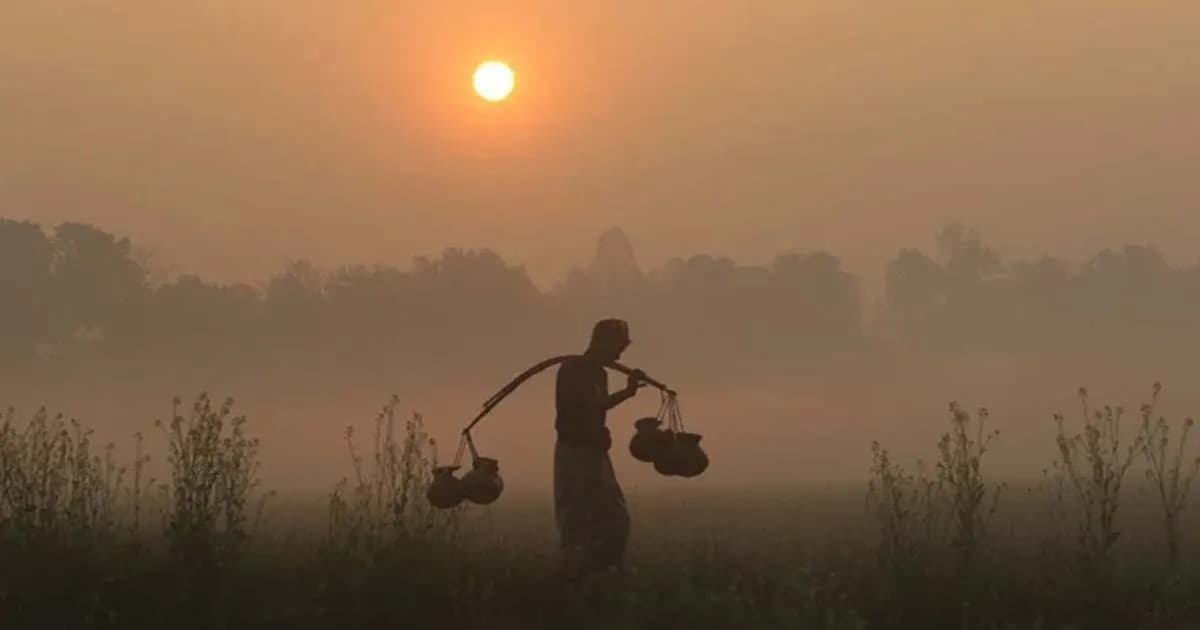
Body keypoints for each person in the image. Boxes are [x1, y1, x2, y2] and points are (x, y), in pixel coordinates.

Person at [553, 318, 647, 583]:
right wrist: (627, 392)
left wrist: (628, 392)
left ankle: (605, 574)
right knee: (575, 520)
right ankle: (572, 580)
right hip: (575, 453)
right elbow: (591, 404)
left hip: (594, 454)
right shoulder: (575, 369)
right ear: (602, 342)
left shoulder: (597, 372)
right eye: (617, 347)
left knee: (614, 517)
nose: (619, 355)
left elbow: (598, 405)